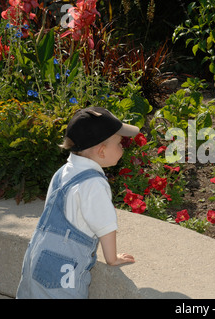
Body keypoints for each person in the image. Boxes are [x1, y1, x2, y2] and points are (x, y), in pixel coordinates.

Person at [16, 106, 138, 299]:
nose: (122, 147)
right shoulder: (94, 184)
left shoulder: (64, 172)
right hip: (62, 272)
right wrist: (112, 258)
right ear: (102, 151)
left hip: (36, 259)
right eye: (119, 143)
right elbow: (105, 226)